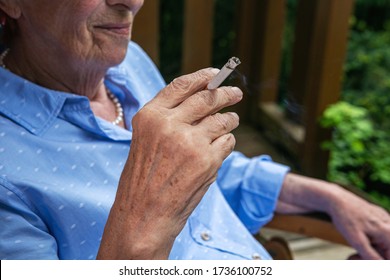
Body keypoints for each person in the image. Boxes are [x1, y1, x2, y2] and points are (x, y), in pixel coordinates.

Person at [0, 0, 389, 260]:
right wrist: (146, 216)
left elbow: (201, 170)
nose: (131, 1)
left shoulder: (128, 63)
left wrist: (330, 197)